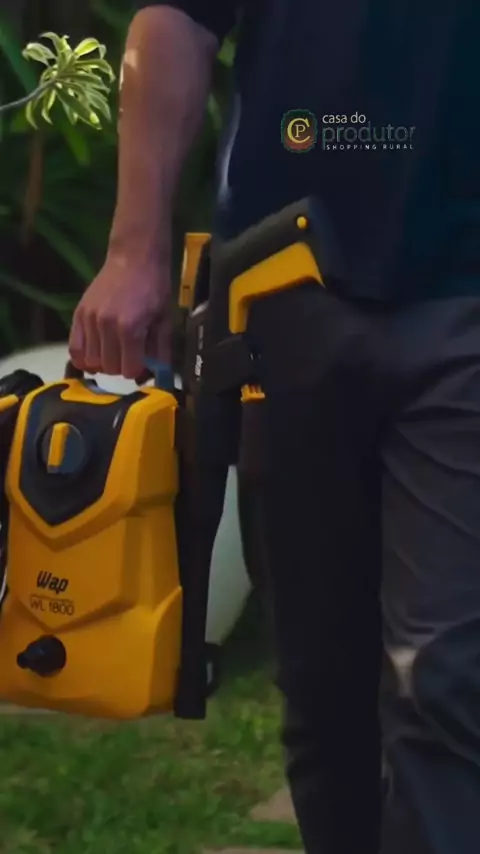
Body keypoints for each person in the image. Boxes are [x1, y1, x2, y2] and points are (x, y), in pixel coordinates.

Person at [69, 3, 480, 853]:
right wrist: (133, 252)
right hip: (278, 286)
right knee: (323, 692)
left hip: (465, 300)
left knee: (445, 679)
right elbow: (177, 19)